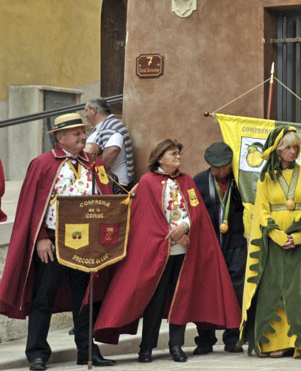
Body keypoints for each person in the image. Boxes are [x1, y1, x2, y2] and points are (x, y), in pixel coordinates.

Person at [94, 139, 241, 363]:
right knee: (155, 300)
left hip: (184, 251)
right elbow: (145, 218)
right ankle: (146, 347)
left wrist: (186, 227)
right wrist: (170, 232)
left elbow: (196, 210)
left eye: (179, 153)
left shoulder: (188, 181)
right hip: (158, 251)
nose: (178, 157)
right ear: (160, 157)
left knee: (179, 298)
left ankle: (176, 345)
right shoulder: (147, 181)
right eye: (173, 153)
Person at [0, 113, 116, 370]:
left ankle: (87, 351)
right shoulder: (43, 163)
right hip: (53, 241)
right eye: (76, 133)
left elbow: (105, 199)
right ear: (60, 137)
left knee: (85, 299)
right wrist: (41, 238)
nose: (83, 137)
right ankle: (37, 353)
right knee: (43, 298)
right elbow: (32, 206)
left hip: (87, 242)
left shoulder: (93, 165)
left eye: (83, 132)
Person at [242, 126, 301, 359]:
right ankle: (272, 343)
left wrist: (299, 236)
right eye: (288, 147)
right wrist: (278, 236)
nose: (293, 152)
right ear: (278, 151)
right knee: (274, 290)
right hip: (274, 244)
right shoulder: (266, 178)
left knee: (300, 292)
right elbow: (262, 211)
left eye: (296, 147)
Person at [192, 141, 247, 355]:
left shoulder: (241, 182)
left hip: (235, 243)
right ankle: (205, 339)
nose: (218, 171)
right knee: (206, 290)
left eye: (222, 167)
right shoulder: (199, 182)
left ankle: (233, 338)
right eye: (214, 167)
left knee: (236, 290)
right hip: (208, 244)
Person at [85, 98, 134, 189]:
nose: (85, 115)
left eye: (86, 110)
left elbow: (113, 150)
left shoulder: (112, 126)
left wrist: (95, 172)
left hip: (116, 185)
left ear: (94, 110)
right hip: (107, 183)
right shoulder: (102, 127)